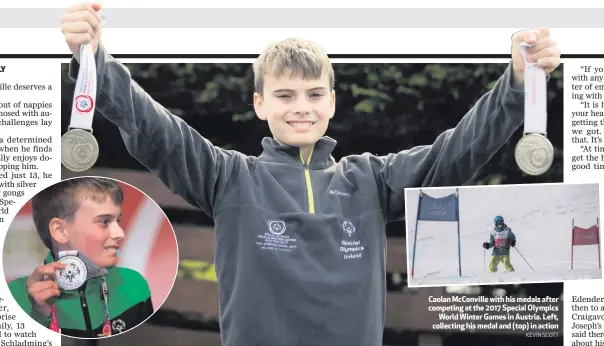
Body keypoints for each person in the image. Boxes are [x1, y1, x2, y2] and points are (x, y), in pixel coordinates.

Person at [60, 3, 561, 345]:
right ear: (259, 104)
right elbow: (153, 128)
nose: (302, 108)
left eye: (314, 94)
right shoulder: (228, 178)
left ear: (332, 101)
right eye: (284, 95)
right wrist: (93, 60)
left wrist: (518, 83)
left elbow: (456, 152)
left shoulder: (370, 181)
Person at [8, 177, 154, 338]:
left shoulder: (133, 285)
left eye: (117, 221)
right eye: (104, 222)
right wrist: (38, 316)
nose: (120, 233)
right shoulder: (15, 295)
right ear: (60, 231)